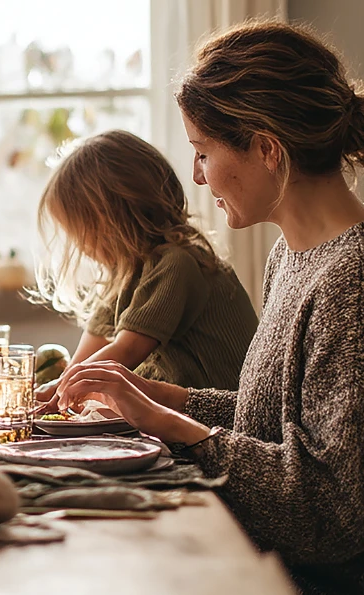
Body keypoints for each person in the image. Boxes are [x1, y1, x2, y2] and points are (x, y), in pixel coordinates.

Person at [50, 21, 364, 595]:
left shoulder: (360, 283)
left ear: (267, 150)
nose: (197, 176)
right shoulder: (295, 259)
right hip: (282, 583)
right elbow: (269, 420)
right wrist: (162, 401)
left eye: (205, 151)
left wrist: (176, 428)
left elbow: (336, 510)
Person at [33, 129, 257, 402]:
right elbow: (82, 364)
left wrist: (62, 393)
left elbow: (126, 352)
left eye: (80, 232)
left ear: (111, 220)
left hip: (219, 416)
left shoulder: (177, 263)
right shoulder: (126, 274)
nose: (79, 245)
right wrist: (49, 392)